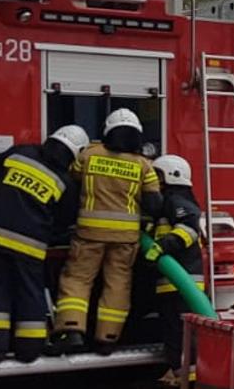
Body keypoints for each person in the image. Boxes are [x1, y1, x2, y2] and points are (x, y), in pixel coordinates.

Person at [0, 125, 88, 362]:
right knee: (30, 292)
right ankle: (29, 349)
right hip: (29, 246)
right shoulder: (65, 182)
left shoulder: (21, 152)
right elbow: (64, 220)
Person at [55, 109, 162, 354]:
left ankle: (72, 330)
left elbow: (70, 181)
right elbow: (154, 204)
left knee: (77, 280)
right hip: (126, 239)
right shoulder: (144, 166)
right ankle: (108, 338)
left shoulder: (89, 156)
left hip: (88, 234)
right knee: (118, 284)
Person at [148, 154, 204, 389]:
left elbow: (188, 230)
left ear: (171, 175)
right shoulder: (167, 203)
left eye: (158, 176)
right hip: (172, 285)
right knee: (175, 341)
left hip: (182, 285)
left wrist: (160, 247)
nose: (154, 182)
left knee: (182, 343)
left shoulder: (178, 201)